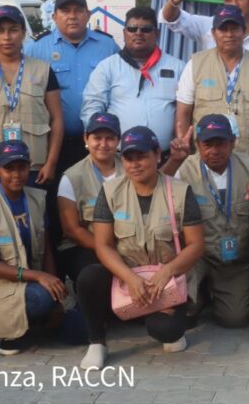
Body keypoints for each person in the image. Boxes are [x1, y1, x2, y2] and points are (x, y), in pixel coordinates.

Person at [77, 126, 205, 366]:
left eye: (142, 156)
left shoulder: (180, 191)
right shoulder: (110, 191)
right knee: (88, 277)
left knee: (167, 331)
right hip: (126, 280)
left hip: (166, 281)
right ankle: (97, 343)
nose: (134, 164)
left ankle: (153, 317)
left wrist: (166, 273)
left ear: (157, 155)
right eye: (128, 158)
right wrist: (130, 278)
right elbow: (103, 245)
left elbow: (196, 245)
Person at [0, 139, 67, 355]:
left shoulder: (37, 198)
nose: (16, 174)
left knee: (77, 329)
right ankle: (3, 332)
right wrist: (40, 277)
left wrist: (55, 285)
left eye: (21, 167)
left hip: (31, 278)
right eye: (8, 168)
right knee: (40, 299)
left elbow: (47, 247)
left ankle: (33, 322)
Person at [0, 5, 63, 194]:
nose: (7, 37)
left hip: (34, 165)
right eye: (0, 31)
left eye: (13, 30)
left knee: (33, 219)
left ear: (23, 33)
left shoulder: (43, 71)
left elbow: (57, 119)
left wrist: (51, 162)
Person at [25, 0, 119, 183]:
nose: (72, 16)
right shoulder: (36, 48)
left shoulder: (108, 46)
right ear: (54, 16)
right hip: (54, 144)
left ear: (88, 15)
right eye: (65, 11)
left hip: (98, 142)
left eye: (78, 10)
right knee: (56, 197)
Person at [175, 5, 249, 159]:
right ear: (213, 33)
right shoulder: (196, 64)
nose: (229, 34)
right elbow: (183, 111)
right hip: (207, 157)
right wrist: (185, 150)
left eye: (235, 29)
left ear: (244, 32)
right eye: (223, 29)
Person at [175, 114, 249, 328]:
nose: (214, 151)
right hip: (198, 258)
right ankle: (198, 296)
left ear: (233, 142)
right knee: (183, 314)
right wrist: (174, 159)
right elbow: (156, 188)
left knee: (235, 319)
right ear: (197, 145)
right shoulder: (184, 170)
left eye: (221, 143)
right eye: (207, 144)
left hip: (235, 261)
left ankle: (216, 294)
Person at [81, 6, 184, 151]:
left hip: (166, 157)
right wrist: (97, 143)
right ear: (124, 33)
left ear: (157, 33)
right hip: (119, 157)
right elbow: (92, 108)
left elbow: (186, 109)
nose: (138, 33)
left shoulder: (178, 67)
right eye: (132, 28)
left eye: (146, 29)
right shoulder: (107, 67)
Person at [56, 112, 121, 284]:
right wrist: (108, 250)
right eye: (97, 138)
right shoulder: (72, 177)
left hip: (128, 243)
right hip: (87, 245)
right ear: (86, 138)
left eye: (110, 138)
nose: (103, 144)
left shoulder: (131, 167)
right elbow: (72, 230)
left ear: (118, 140)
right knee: (96, 276)